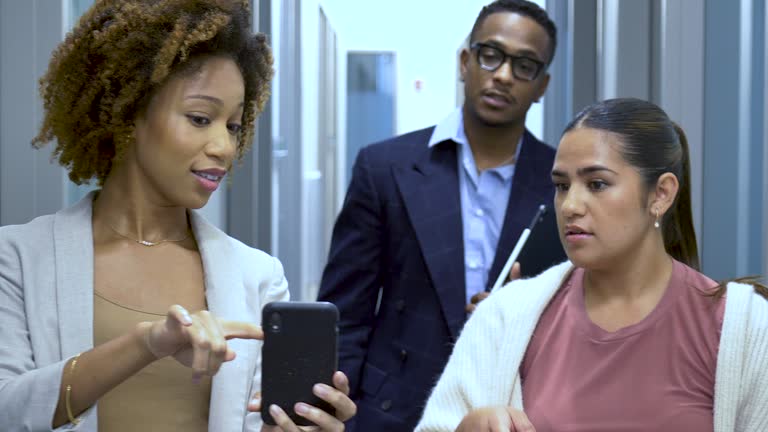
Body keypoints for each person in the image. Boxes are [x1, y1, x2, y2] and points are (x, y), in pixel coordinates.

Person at [0, 1, 355, 431]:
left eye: (234, 126)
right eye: (200, 118)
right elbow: (8, 409)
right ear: (130, 112)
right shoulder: (18, 258)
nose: (224, 147)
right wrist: (147, 344)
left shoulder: (257, 276)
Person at [415, 98, 768, 432]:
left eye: (597, 184)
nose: (570, 205)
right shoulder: (503, 318)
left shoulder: (745, 327)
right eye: (561, 186)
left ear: (660, 194)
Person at [317, 1, 566, 430]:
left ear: (541, 86)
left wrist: (516, 309)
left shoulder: (562, 182)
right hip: (391, 411)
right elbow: (345, 314)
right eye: (491, 55)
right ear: (465, 61)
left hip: (514, 407)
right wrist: (339, 415)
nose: (504, 75)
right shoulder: (385, 168)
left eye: (524, 65)